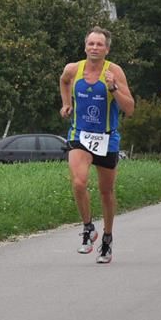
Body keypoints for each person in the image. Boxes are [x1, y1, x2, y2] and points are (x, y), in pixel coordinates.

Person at [59, 27, 135, 264]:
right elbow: (64, 81)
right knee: (79, 182)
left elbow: (129, 108)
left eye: (99, 44)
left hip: (106, 138)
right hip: (79, 135)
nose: (94, 48)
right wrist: (66, 104)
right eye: (91, 43)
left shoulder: (114, 72)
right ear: (85, 47)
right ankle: (88, 227)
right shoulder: (73, 69)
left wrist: (113, 88)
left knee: (106, 191)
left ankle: (107, 238)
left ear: (107, 49)